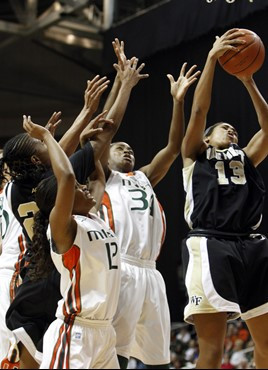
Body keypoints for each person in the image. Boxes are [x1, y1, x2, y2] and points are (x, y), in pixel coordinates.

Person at [99, 38, 200, 369]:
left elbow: (173, 147)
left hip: (151, 273)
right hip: (121, 268)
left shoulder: (144, 176)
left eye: (130, 148)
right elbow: (104, 130)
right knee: (117, 354)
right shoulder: (103, 179)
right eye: (120, 147)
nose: (127, 150)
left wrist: (178, 102)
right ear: (106, 157)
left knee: (158, 360)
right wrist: (121, 83)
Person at [0, 76, 110, 368]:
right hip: (23, 270)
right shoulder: (51, 183)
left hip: (31, 268)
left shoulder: (16, 187)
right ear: (36, 161)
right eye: (37, 144)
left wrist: (78, 119)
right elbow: (64, 169)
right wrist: (85, 113)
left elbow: (57, 160)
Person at [181, 28, 268, 369]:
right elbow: (200, 111)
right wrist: (212, 60)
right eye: (223, 127)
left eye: (234, 128)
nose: (231, 130)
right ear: (206, 137)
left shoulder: (246, 156)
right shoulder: (194, 155)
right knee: (212, 352)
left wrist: (248, 81)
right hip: (211, 244)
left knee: (266, 344)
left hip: (251, 244)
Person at [22, 116, 121, 369]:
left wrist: (90, 140)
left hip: (105, 331)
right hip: (75, 331)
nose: (84, 186)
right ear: (62, 200)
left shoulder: (94, 218)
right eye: (78, 187)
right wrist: (45, 136)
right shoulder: (65, 227)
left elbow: (98, 178)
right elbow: (65, 176)